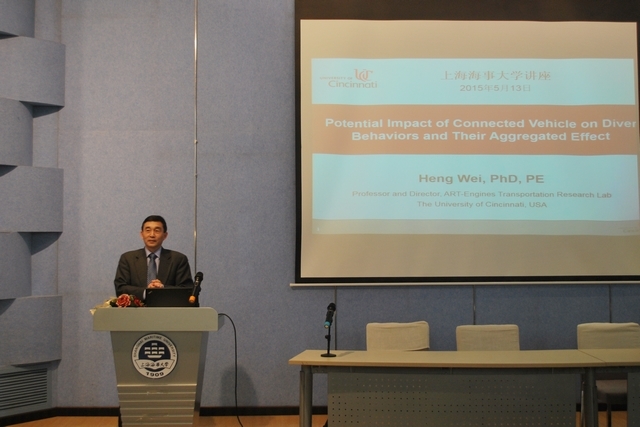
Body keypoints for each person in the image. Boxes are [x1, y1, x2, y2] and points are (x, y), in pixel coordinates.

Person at [114, 215, 193, 299]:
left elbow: (187, 289)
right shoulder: (128, 258)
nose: (152, 235)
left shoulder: (178, 259)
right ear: (142, 234)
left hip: (167, 306)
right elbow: (120, 288)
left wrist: (163, 288)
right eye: (148, 230)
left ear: (165, 235)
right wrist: (146, 292)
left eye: (157, 230)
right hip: (137, 307)